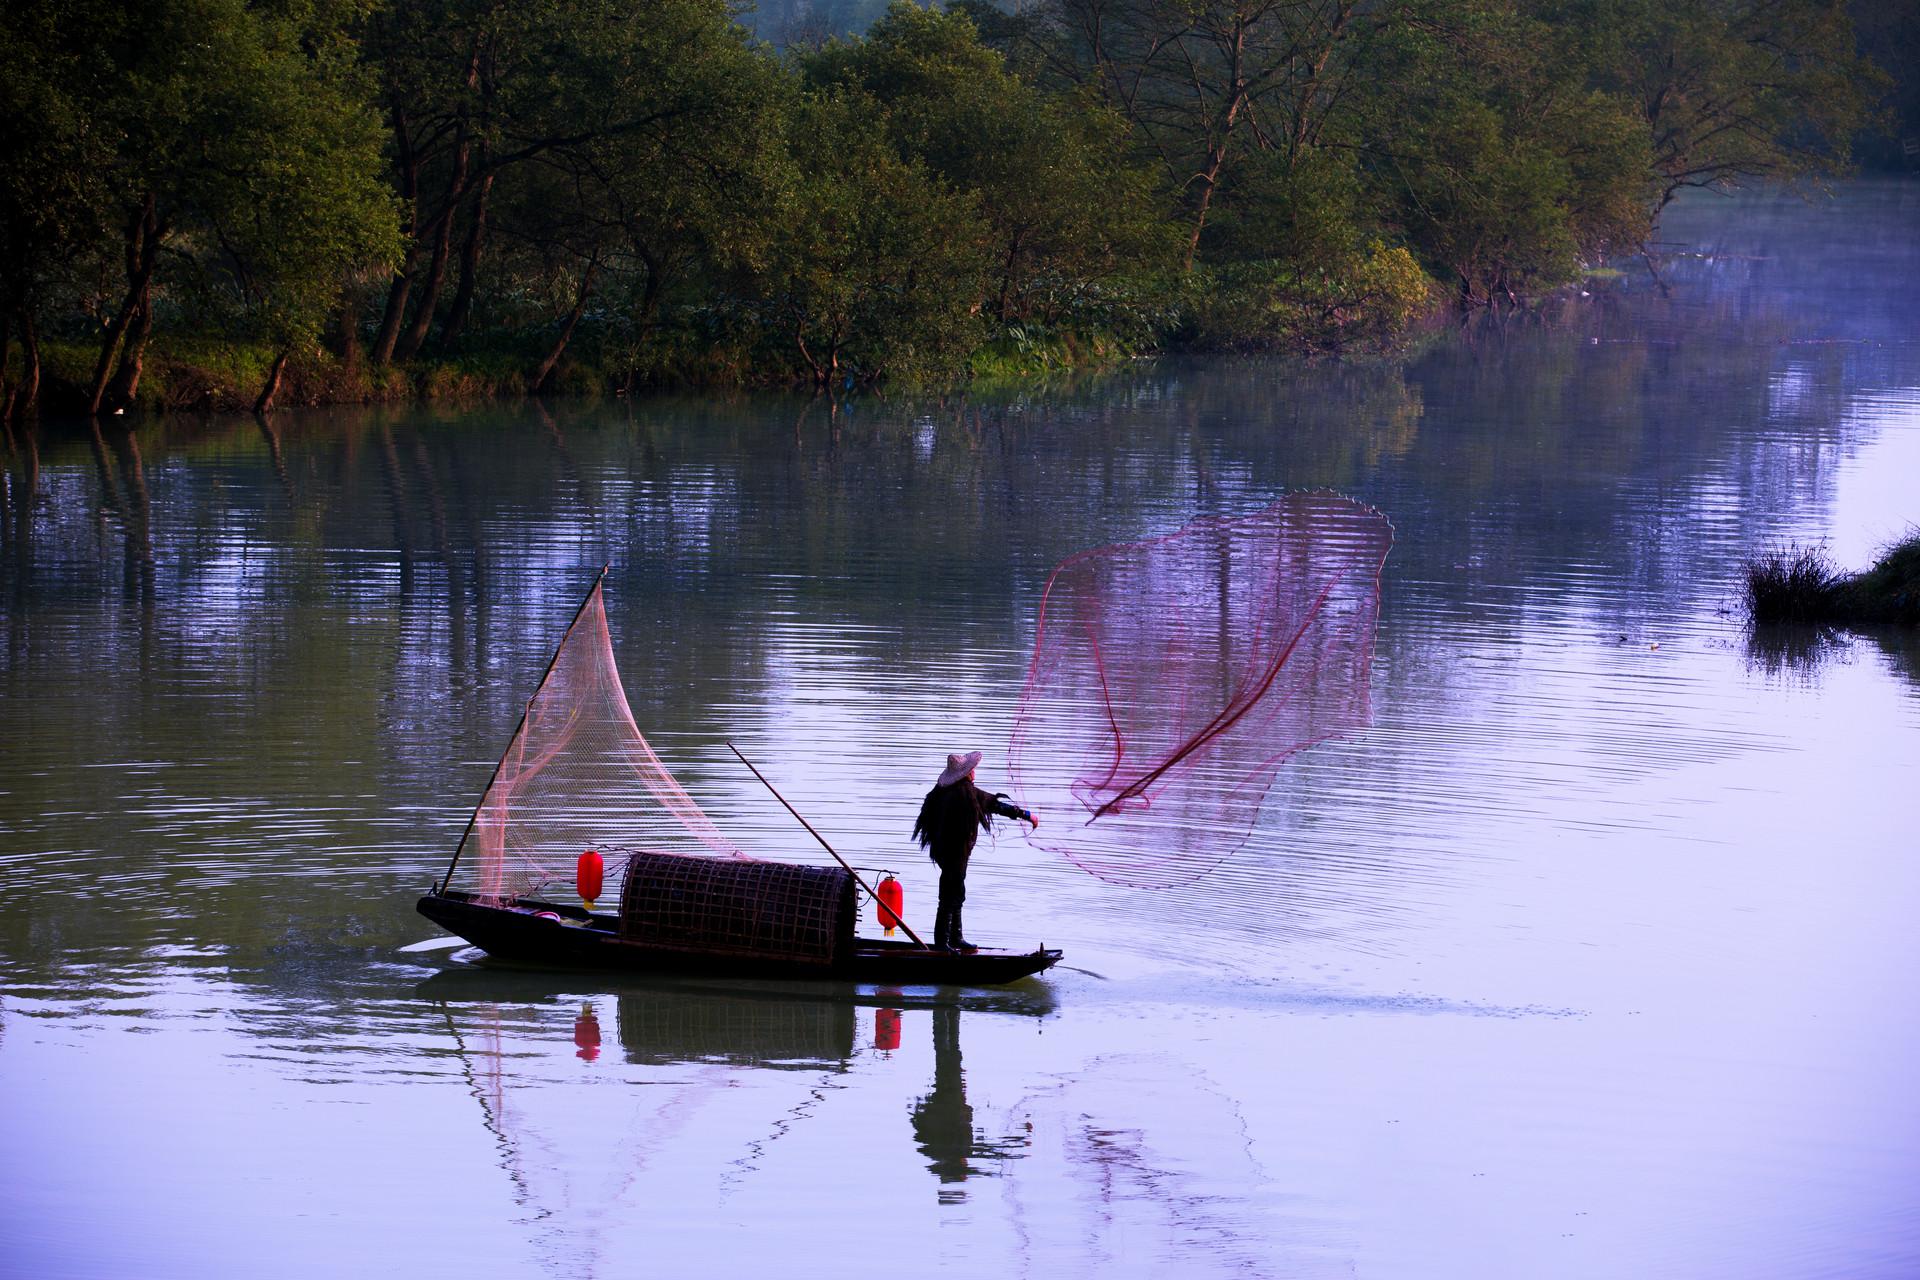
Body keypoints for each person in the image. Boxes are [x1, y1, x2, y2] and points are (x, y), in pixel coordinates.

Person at [911, 751, 1037, 953]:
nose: (974, 772)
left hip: (946, 851)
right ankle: (943, 943)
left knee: (956, 890)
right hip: (955, 851)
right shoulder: (965, 792)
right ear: (967, 774)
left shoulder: (940, 792)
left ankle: (955, 938)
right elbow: (996, 805)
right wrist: (1026, 815)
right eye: (973, 769)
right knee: (950, 894)